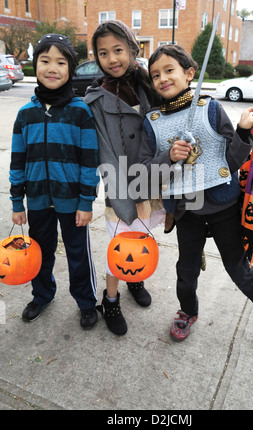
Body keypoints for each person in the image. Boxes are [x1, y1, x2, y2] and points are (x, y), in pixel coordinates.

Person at [139, 44, 253, 343]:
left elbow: (232, 161)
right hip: (186, 212)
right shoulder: (152, 122)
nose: (162, 78)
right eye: (155, 74)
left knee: (238, 268)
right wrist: (169, 157)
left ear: (189, 74)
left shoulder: (210, 108)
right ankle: (187, 311)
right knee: (186, 270)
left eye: (169, 70)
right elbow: (146, 171)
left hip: (224, 207)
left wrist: (243, 132)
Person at [9, 34, 100, 329]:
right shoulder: (25, 115)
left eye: (61, 62)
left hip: (72, 202)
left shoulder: (80, 112)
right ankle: (42, 294)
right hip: (37, 200)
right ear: (35, 66)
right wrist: (16, 201)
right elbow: (17, 161)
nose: (52, 68)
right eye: (45, 61)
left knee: (77, 254)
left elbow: (90, 162)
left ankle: (86, 301)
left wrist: (86, 202)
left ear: (70, 70)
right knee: (40, 251)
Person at [84, 20, 165, 336]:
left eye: (118, 50)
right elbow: (94, 152)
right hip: (121, 185)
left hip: (152, 179)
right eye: (103, 53)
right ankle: (111, 299)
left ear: (133, 49)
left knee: (141, 237)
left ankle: (136, 278)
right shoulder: (96, 100)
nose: (112, 58)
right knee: (119, 246)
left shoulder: (150, 87)